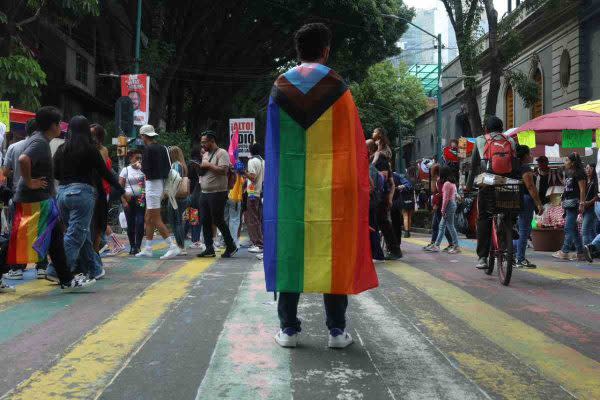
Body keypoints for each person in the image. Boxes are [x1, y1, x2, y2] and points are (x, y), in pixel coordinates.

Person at [265, 23, 378, 349]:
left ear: (297, 50)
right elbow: (354, 147)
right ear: (325, 50)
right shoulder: (339, 90)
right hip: (333, 189)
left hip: (290, 190)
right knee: (334, 251)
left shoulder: (279, 87)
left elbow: (274, 147)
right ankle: (336, 331)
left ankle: (288, 330)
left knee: (289, 251)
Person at [10, 106, 95, 290]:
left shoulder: (40, 140)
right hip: (33, 201)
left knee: (55, 239)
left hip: (40, 200)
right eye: (59, 124)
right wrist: (30, 182)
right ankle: (65, 278)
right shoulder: (40, 142)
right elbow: (23, 159)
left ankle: (66, 279)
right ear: (53, 126)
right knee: (18, 240)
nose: (61, 128)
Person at [54, 116, 126, 278]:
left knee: (80, 233)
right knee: (76, 234)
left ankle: (94, 268)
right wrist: (121, 190)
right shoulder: (90, 149)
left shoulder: (62, 149)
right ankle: (57, 269)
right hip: (81, 193)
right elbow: (105, 173)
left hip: (62, 194)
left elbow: (55, 173)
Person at [466, 116, 517, 269]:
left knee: (484, 217)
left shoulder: (481, 140)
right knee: (510, 209)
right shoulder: (511, 140)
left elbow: (474, 166)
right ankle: (510, 229)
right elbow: (515, 163)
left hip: (488, 183)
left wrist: (469, 185)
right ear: (501, 128)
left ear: (486, 129)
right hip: (507, 183)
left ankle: (482, 257)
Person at [1, 118, 48, 280]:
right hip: (38, 196)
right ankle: (41, 267)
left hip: (18, 196)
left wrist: (18, 175)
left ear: (25, 131)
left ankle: (17, 268)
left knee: (18, 232)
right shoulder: (42, 146)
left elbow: (5, 172)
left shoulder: (14, 147)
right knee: (40, 230)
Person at [137, 124, 181, 259]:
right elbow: (167, 167)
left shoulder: (148, 150)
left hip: (152, 185)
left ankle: (172, 246)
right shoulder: (163, 148)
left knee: (155, 219)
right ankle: (148, 248)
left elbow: (145, 169)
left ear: (144, 136)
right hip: (160, 184)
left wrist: (139, 166)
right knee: (148, 218)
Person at [196, 131, 237, 258]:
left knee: (218, 220)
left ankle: (231, 246)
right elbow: (206, 170)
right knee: (205, 220)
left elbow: (223, 171)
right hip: (205, 192)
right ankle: (209, 248)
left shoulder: (222, 153)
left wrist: (208, 165)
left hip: (218, 192)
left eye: (204, 142)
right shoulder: (206, 154)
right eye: (201, 142)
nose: (202, 144)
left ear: (212, 141)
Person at [91, 124, 125, 256]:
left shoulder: (102, 150)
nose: (90, 137)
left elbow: (103, 172)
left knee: (100, 223)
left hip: (101, 190)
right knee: (99, 223)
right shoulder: (94, 149)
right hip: (96, 189)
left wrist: (120, 190)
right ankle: (103, 247)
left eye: (93, 134)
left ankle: (109, 246)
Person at [512, 145, 544, 269]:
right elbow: (530, 186)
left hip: (514, 198)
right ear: (525, 155)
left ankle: (514, 255)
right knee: (524, 230)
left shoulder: (514, 167)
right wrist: (539, 204)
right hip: (525, 199)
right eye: (530, 153)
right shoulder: (525, 168)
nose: (531, 156)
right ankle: (520, 258)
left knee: (520, 230)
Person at [553, 153, 586, 261]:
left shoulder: (580, 173)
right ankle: (580, 252)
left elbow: (582, 189)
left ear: (573, 163)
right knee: (573, 229)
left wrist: (582, 203)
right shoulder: (568, 173)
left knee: (568, 227)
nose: (565, 162)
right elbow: (567, 186)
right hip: (568, 202)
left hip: (575, 202)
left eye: (567, 160)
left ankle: (565, 251)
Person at [427, 166, 460, 253]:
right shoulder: (452, 183)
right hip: (451, 204)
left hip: (448, 205)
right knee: (442, 226)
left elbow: (445, 198)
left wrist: (442, 209)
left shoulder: (446, 184)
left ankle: (456, 246)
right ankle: (437, 245)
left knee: (450, 226)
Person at [374, 157, 402, 259]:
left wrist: (389, 198)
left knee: (383, 224)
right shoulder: (378, 162)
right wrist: (390, 198)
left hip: (380, 198)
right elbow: (392, 184)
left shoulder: (379, 162)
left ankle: (394, 250)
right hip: (381, 198)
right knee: (383, 224)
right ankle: (394, 250)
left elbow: (389, 182)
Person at [119, 150, 146, 255]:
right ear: (131, 159)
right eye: (136, 158)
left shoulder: (143, 170)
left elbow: (147, 183)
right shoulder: (126, 170)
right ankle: (132, 246)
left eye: (140, 158)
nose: (139, 160)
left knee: (140, 222)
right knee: (130, 223)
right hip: (129, 198)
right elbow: (120, 186)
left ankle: (138, 245)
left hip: (141, 198)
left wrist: (142, 169)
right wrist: (123, 200)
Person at [423, 161, 454, 251]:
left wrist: (436, 204)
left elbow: (440, 194)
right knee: (437, 225)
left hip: (441, 206)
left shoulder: (439, 181)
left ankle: (450, 243)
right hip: (441, 206)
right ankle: (435, 243)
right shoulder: (438, 180)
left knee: (443, 226)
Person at [167, 146, 188, 254]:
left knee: (175, 221)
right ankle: (181, 245)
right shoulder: (183, 165)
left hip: (174, 196)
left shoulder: (175, 165)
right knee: (179, 220)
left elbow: (175, 180)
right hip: (182, 197)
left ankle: (180, 245)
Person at [244, 143, 265, 253]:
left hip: (252, 193)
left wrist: (243, 172)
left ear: (251, 151)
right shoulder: (263, 161)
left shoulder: (252, 161)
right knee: (258, 218)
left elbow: (252, 177)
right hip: (259, 192)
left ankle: (258, 244)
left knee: (252, 219)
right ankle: (260, 242)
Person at [186, 143, 203, 249]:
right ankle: (196, 240)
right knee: (198, 216)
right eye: (201, 152)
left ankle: (194, 239)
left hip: (190, 193)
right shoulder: (198, 165)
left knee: (193, 216)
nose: (203, 153)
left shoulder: (188, 164)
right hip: (197, 192)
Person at [581, 163, 598, 245]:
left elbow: (597, 196)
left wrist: (588, 202)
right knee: (591, 231)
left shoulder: (595, 181)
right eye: (587, 168)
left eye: (590, 168)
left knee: (584, 230)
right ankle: (595, 250)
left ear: (594, 169)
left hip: (592, 208)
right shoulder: (584, 181)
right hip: (585, 208)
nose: (588, 170)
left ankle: (586, 252)